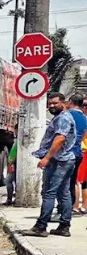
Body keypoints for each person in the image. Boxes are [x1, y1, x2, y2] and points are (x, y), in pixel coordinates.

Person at [26, 92, 78, 237]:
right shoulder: (63, 117)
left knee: (49, 193)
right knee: (64, 193)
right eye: (50, 104)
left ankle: (41, 227)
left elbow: (60, 139)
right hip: (66, 160)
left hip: (58, 161)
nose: (52, 106)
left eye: (55, 103)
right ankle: (64, 226)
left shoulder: (62, 119)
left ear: (64, 103)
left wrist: (47, 158)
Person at [68, 96, 87, 215]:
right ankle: (83, 206)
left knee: (77, 181)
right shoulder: (84, 119)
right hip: (82, 151)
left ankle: (75, 206)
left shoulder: (80, 118)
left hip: (83, 151)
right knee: (83, 181)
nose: (84, 107)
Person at [5, 133, 17, 205]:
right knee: (10, 181)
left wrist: (11, 162)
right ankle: (10, 199)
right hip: (13, 164)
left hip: (14, 164)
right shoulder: (17, 141)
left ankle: (10, 199)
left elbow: (15, 154)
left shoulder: (19, 141)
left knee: (8, 181)